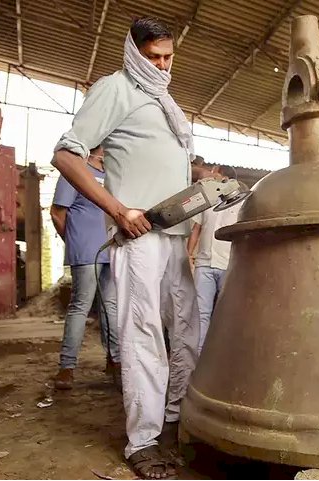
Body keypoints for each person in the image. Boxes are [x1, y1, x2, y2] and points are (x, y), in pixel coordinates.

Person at [51, 16, 204, 480]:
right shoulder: (115, 88)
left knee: (188, 334)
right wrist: (118, 210)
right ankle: (143, 441)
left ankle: (174, 422)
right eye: (153, 57)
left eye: (168, 56)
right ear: (134, 53)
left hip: (175, 234)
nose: (162, 65)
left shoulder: (163, 98)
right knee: (143, 336)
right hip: (139, 234)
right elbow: (65, 153)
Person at [50, 145, 121, 390]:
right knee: (80, 305)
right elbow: (58, 213)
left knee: (111, 305)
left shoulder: (113, 175)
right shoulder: (75, 170)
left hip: (111, 249)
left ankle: (115, 360)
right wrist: (74, 242)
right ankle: (67, 367)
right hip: (86, 249)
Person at [186, 167, 242, 353]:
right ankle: (200, 354)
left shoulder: (241, 204)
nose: (212, 179)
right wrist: (189, 254)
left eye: (215, 175)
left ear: (226, 179)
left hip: (228, 265)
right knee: (201, 312)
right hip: (204, 264)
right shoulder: (209, 202)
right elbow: (196, 230)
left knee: (225, 313)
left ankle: (222, 353)